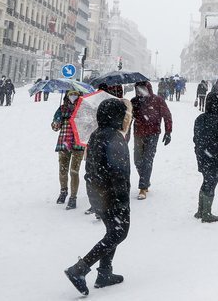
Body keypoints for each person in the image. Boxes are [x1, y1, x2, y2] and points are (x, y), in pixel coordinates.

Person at [64, 98, 130, 294]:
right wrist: (122, 198)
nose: (126, 118)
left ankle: (104, 273)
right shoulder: (115, 138)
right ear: (116, 117)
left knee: (112, 231)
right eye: (124, 115)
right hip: (112, 195)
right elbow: (118, 173)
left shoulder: (97, 134)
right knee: (118, 233)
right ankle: (80, 269)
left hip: (97, 192)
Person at [192, 93, 218, 222]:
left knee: (206, 180)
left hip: (202, 155)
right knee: (211, 183)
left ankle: (200, 210)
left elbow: (196, 138)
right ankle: (206, 213)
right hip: (216, 156)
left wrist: (200, 150)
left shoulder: (200, 118)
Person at [129, 81, 172, 200]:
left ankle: (143, 188)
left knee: (147, 159)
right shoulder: (134, 101)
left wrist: (168, 132)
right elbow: (128, 118)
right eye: (137, 89)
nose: (139, 92)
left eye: (142, 89)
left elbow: (167, 116)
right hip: (138, 134)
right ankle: (146, 180)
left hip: (153, 134)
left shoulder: (158, 100)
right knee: (137, 160)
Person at [53, 90, 84, 209]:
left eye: (75, 94)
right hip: (64, 142)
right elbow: (55, 126)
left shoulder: (83, 108)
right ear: (67, 95)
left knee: (74, 171)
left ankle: (73, 197)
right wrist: (56, 123)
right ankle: (63, 192)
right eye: (70, 94)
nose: (73, 96)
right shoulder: (62, 109)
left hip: (78, 143)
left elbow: (88, 125)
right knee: (62, 170)